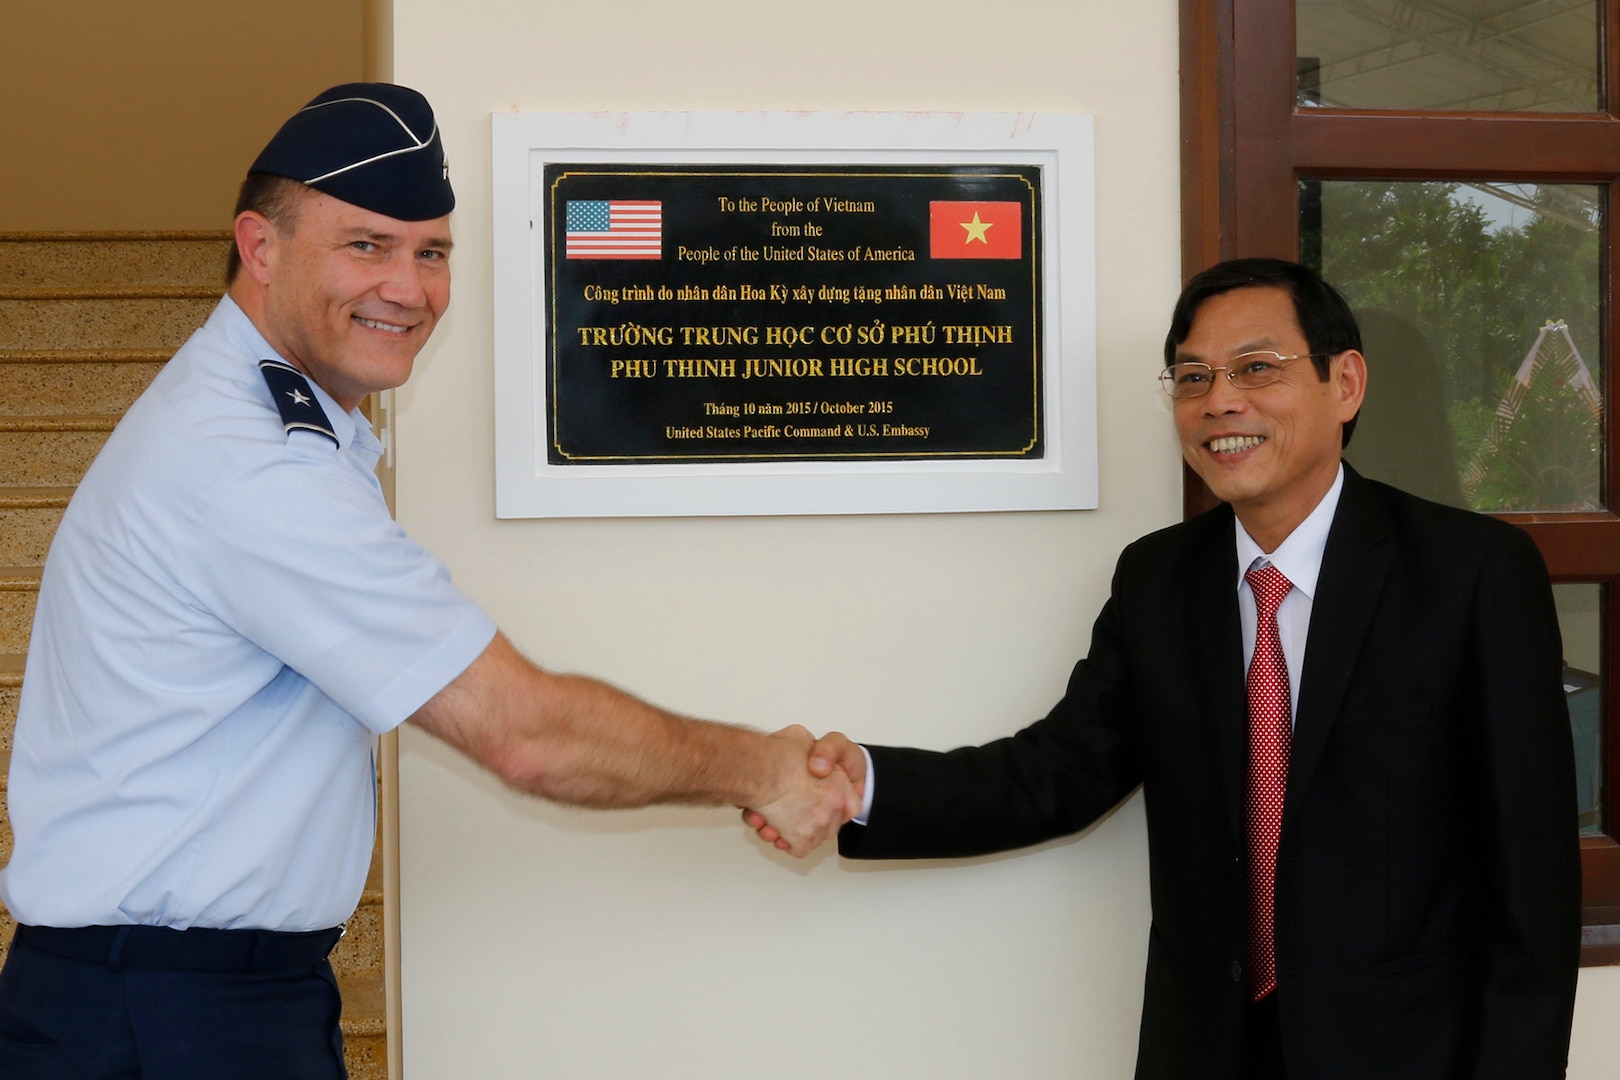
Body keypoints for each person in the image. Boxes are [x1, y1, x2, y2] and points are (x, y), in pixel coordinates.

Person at [0, 83, 852, 1080]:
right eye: (367, 245)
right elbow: (527, 735)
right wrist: (766, 772)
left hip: (197, 1000)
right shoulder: (251, 463)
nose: (409, 287)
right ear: (261, 247)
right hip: (164, 1018)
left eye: (432, 251)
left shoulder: (279, 428)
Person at [756, 258, 1581, 1079]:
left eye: (1256, 368)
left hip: (1410, 1053)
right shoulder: (1157, 581)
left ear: (1346, 384)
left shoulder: (1471, 573)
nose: (1220, 400)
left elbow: (1533, 887)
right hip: (1209, 1047)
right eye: (1192, 377)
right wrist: (859, 786)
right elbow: (1057, 774)